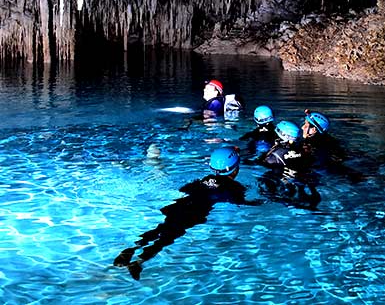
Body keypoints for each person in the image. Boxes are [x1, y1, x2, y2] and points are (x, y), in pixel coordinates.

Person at [113, 146, 259, 280]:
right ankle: (139, 262)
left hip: (180, 205)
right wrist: (258, 203)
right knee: (168, 237)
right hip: (195, 212)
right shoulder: (235, 187)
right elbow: (239, 202)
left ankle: (130, 249)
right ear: (235, 168)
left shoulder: (207, 179)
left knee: (160, 228)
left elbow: (185, 189)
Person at [258, 120, 320, 209]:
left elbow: (261, 163)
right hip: (304, 178)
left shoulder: (274, 155)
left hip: (283, 179)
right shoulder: (304, 150)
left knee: (264, 179)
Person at [300, 109, 363, 183]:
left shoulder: (310, 143)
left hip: (327, 163)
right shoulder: (327, 138)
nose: (302, 127)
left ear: (314, 130)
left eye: (306, 125)